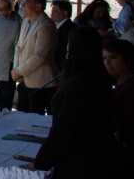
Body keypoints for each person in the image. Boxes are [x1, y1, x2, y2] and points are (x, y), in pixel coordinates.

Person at [34, 27, 128, 178]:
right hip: (100, 156)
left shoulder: (78, 85)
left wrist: (41, 162)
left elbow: (63, 130)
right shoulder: (100, 79)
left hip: (80, 162)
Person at [12, 0, 57, 114]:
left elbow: (39, 56)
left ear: (38, 6)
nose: (22, 4)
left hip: (40, 83)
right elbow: (19, 47)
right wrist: (16, 69)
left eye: (27, 2)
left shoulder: (46, 25)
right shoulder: (26, 21)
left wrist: (19, 71)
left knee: (34, 119)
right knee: (22, 117)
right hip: (24, 80)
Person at [104, 39, 134, 178]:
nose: (107, 63)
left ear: (127, 59)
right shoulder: (121, 85)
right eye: (104, 58)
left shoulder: (132, 89)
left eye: (113, 57)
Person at [49, 0, 74, 76]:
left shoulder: (69, 29)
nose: (51, 14)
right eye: (51, 11)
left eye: (55, 11)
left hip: (62, 71)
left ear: (65, 13)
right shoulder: (57, 27)